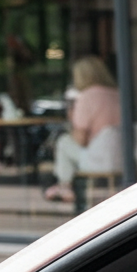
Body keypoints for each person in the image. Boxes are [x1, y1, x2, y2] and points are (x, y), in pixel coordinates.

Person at [44, 56, 121, 203]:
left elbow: (80, 140)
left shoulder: (86, 97)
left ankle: (64, 185)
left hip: (99, 160)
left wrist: (73, 119)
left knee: (64, 142)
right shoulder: (118, 94)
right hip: (123, 158)